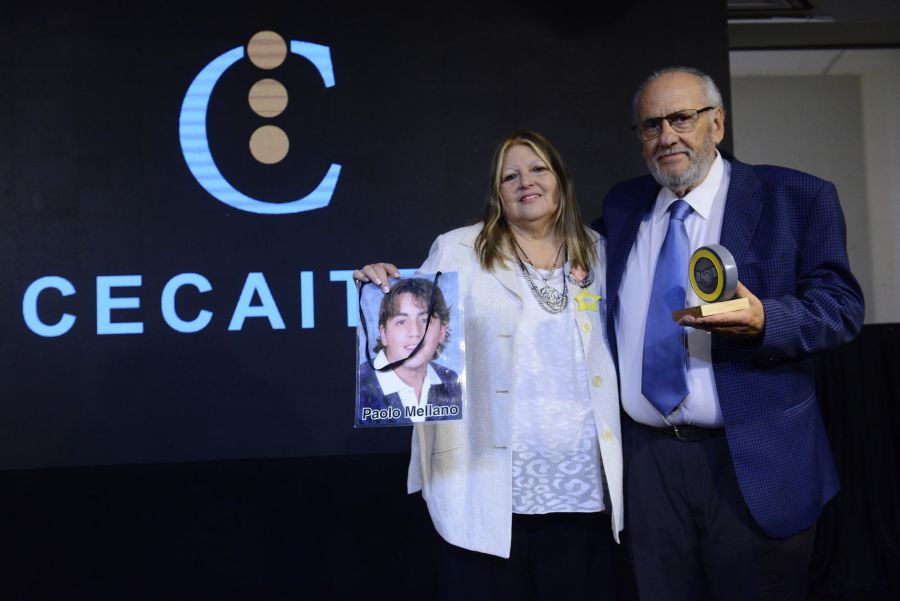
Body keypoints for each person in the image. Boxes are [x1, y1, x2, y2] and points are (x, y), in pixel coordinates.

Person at [599, 66, 865, 600]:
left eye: (681, 118)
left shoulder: (794, 196)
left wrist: (768, 321)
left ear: (717, 123)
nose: (666, 136)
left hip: (753, 458)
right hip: (648, 466)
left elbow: (841, 308)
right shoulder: (622, 206)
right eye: (650, 126)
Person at [355, 131, 622, 599]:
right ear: (497, 192)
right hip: (485, 487)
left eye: (538, 170)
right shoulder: (459, 249)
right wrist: (379, 288)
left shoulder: (598, 251)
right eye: (510, 176)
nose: (526, 182)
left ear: (560, 179)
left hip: (582, 486)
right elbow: (413, 333)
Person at [356, 277, 462, 426]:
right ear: (384, 334)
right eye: (401, 321)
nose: (415, 332)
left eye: (425, 320)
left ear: (442, 331)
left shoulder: (451, 383)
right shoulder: (358, 386)